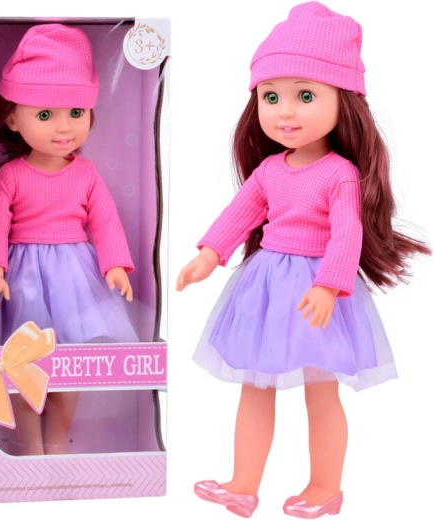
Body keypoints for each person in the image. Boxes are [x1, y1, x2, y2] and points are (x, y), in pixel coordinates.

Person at [177, 2, 430, 518]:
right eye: (271, 97)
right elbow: (238, 214)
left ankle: (325, 488)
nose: (285, 112)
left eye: (305, 96)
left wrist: (329, 284)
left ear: (345, 102)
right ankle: (243, 484)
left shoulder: (340, 174)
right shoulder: (270, 169)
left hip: (316, 292)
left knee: (321, 392)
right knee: (254, 388)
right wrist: (208, 254)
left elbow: (347, 234)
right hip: (266, 287)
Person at [0, 24, 138, 455]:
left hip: (75, 278)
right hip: (25, 280)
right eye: (45, 115)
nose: (63, 127)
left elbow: (105, 221)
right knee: (23, 368)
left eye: (76, 112)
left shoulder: (85, 174)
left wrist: (114, 264)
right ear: (12, 118)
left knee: (69, 369)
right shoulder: (10, 176)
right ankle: (29, 446)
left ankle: (57, 446)